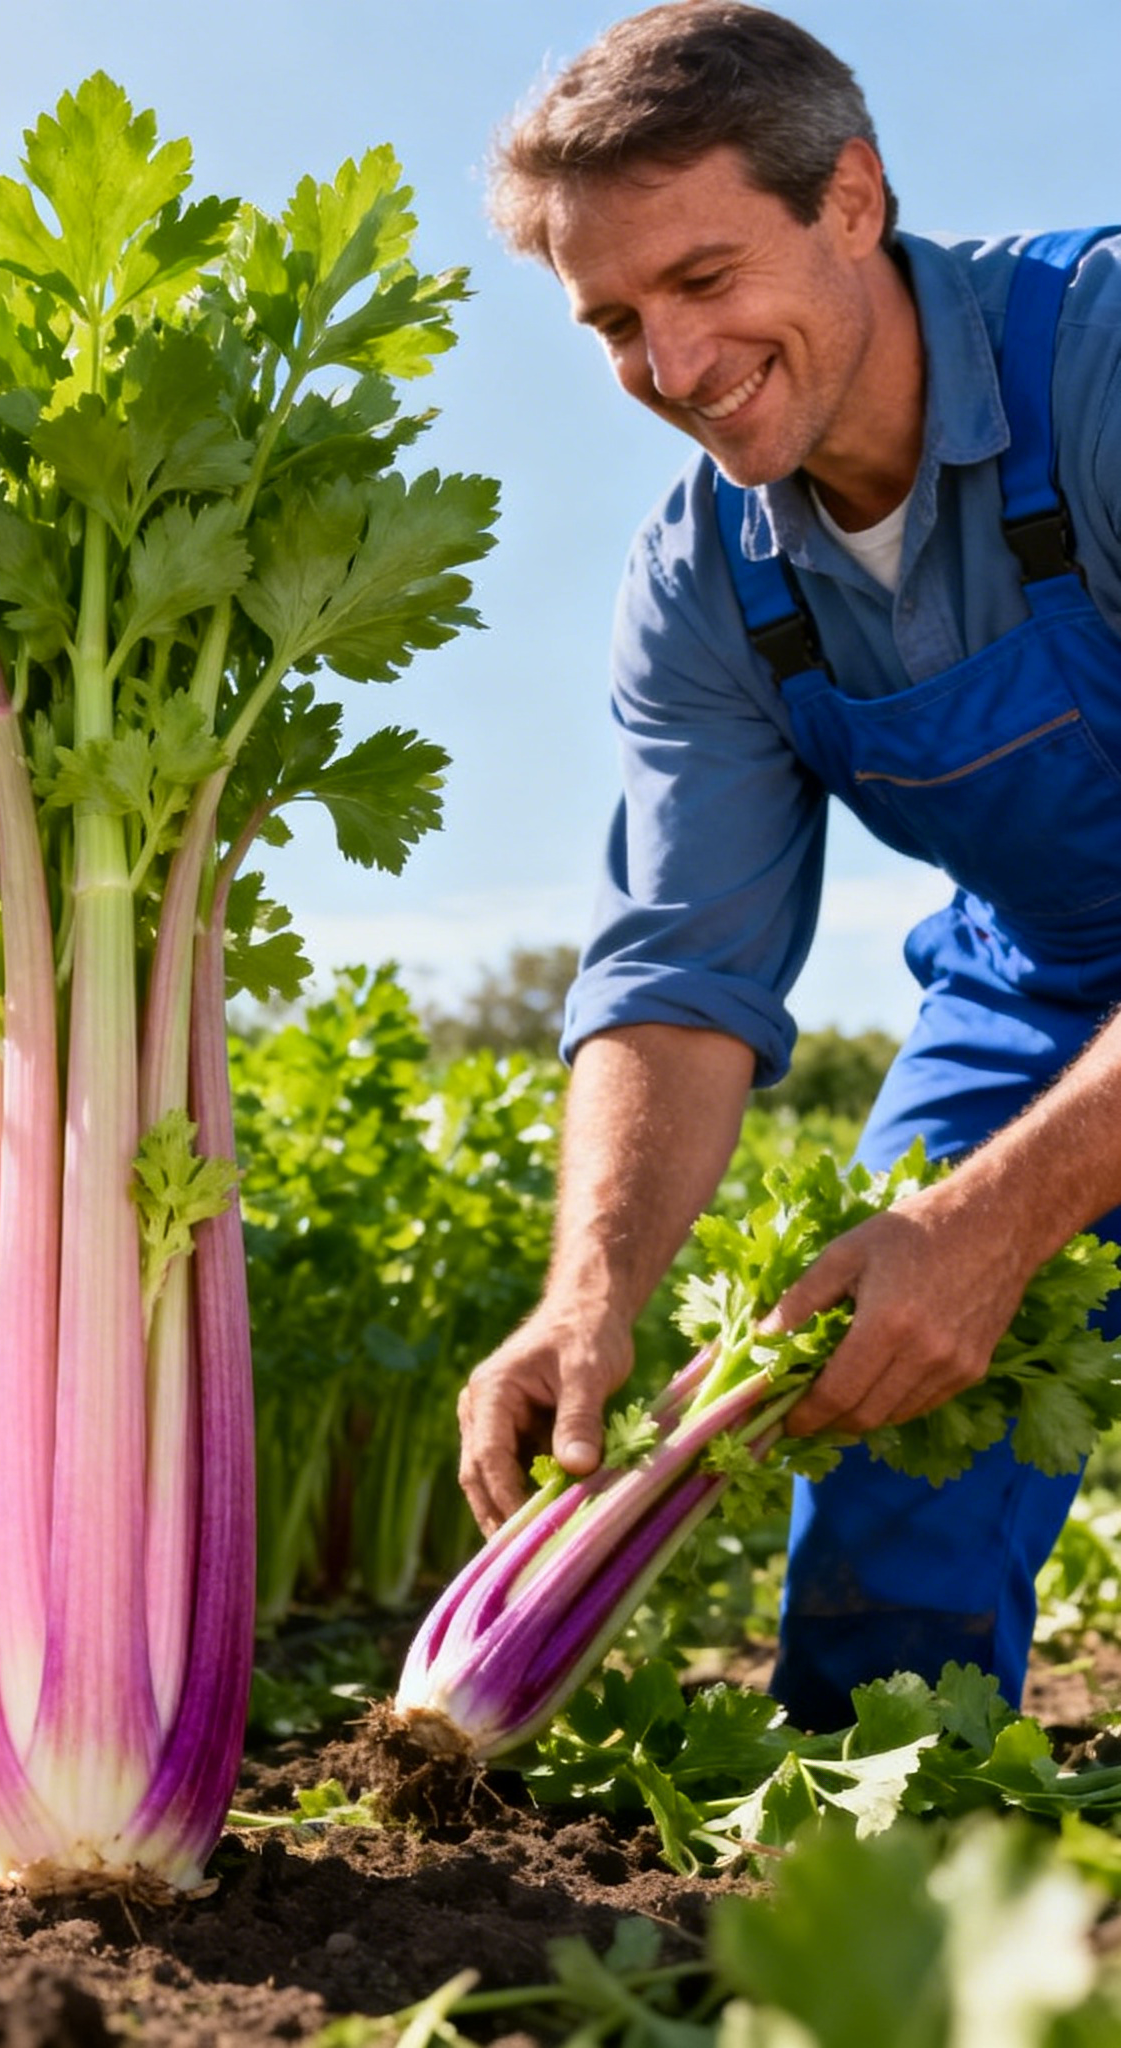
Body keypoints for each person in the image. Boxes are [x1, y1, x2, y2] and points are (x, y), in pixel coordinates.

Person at [455, 0, 1121, 1729]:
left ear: (852, 199)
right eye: (612, 323)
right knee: (890, 1432)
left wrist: (993, 1221)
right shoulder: (709, 589)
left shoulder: (1103, 364)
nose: (670, 369)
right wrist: (589, 1295)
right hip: (1048, 979)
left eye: (700, 281)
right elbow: (682, 972)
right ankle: (892, 1895)